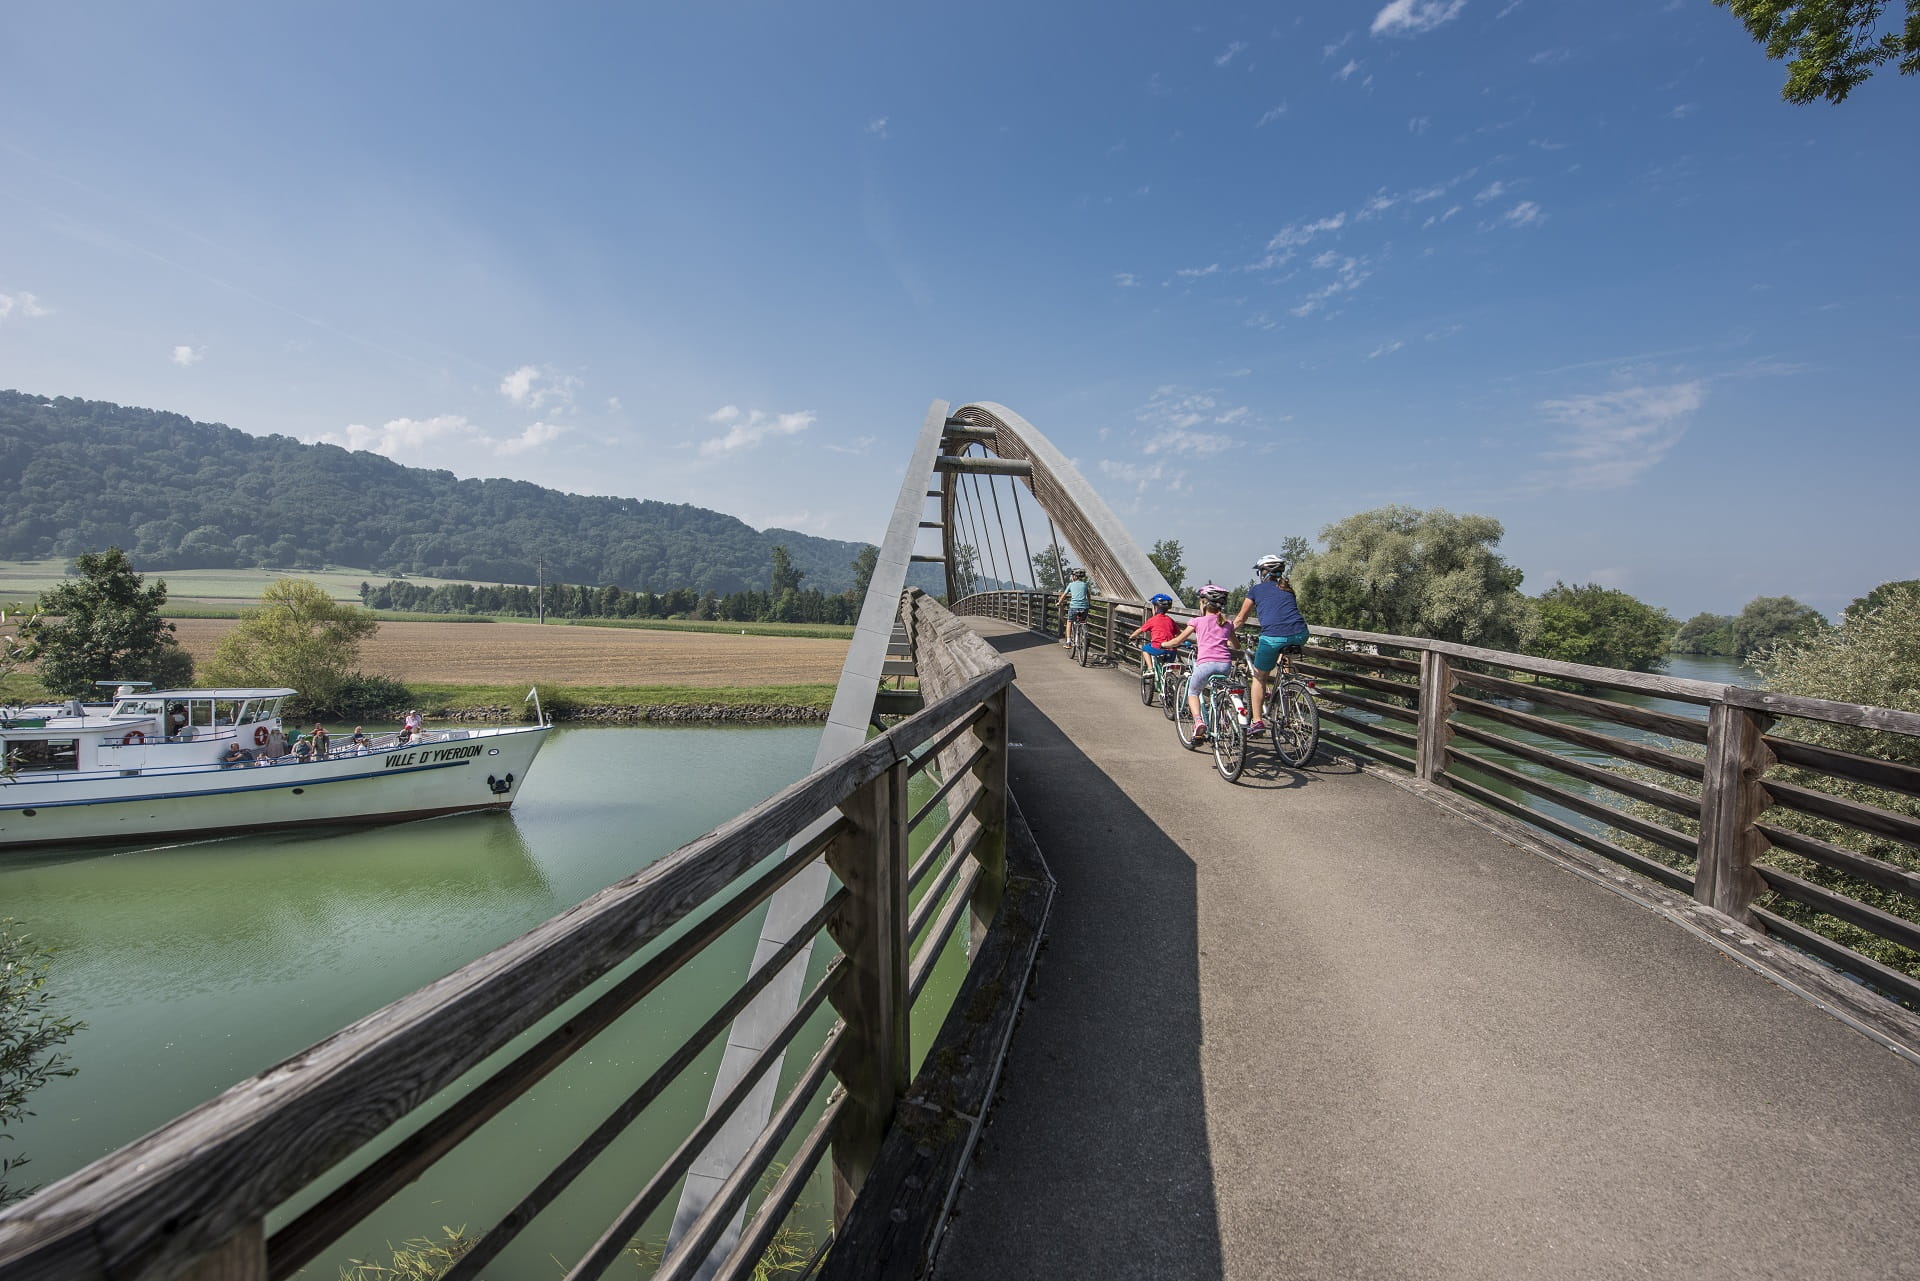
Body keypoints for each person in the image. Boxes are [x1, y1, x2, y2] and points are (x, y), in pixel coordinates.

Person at [1233, 554, 1310, 736]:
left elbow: (1241, 618)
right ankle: (1287, 686)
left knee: (1259, 677)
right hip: (1300, 634)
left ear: (1264, 572)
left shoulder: (1256, 590)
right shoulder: (1288, 589)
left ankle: (1257, 721)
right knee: (1284, 654)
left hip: (1272, 637)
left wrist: (1226, 631)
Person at [1165, 585, 1235, 744]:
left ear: (1204, 603)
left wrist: (1164, 644)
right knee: (1219, 692)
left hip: (1205, 665)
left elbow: (1178, 640)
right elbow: (1236, 645)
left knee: (1193, 691)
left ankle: (1198, 722)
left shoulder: (1197, 621)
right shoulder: (1227, 623)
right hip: (1225, 665)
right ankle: (1224, 720)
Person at [1126, 593, 1182, 686]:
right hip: (1172, 650)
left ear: (1156, 608)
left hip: (1157, 648)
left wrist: (1132, 637)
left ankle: (1150, 669)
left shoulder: (1152, 620)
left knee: (1145, 648)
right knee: (1168, 668)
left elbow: (1140, 630)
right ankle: (1169, 685)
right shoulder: (1170, 620)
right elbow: (1179, 634)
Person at [1056, 568, 1093, 651]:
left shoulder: (1071, 585)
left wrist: (1059, 603)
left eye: (1072, 575)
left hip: (1074, 607)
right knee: (1083, 621)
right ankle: (1085, 635)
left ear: (1075, 577)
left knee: (1069, 622)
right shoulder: (1085, 584)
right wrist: (1089, 603)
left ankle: (1068, 642)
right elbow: (1088, 596)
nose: (1072, 577)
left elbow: (1063, 596)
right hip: (1084, 607)